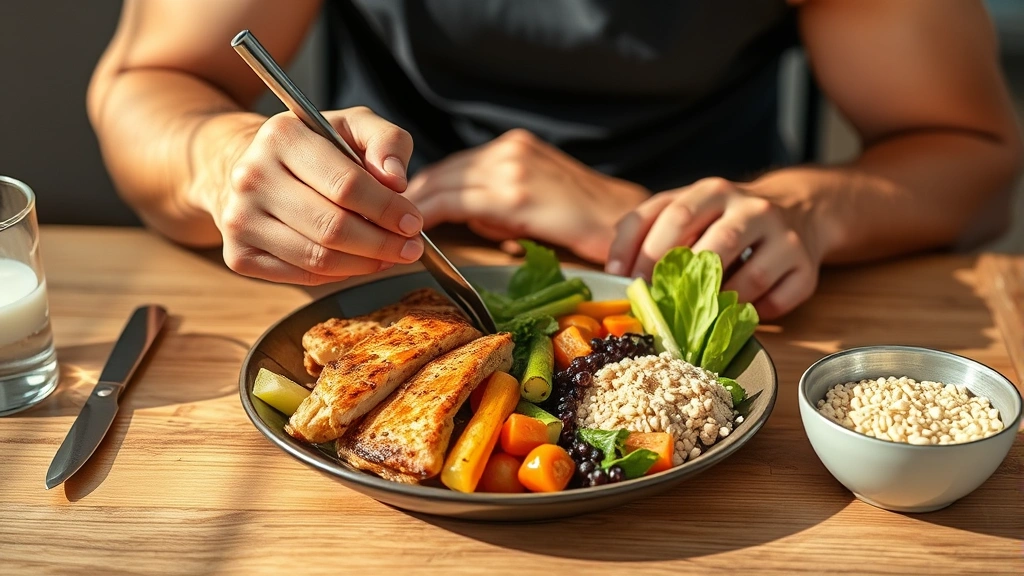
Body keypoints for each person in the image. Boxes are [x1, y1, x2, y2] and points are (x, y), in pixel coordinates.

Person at [88, 0, 1022, 319]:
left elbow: (974, 154)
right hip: (379, 268)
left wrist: (802, 211)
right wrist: (223, 161)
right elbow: (146, 83)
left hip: (709, 274)